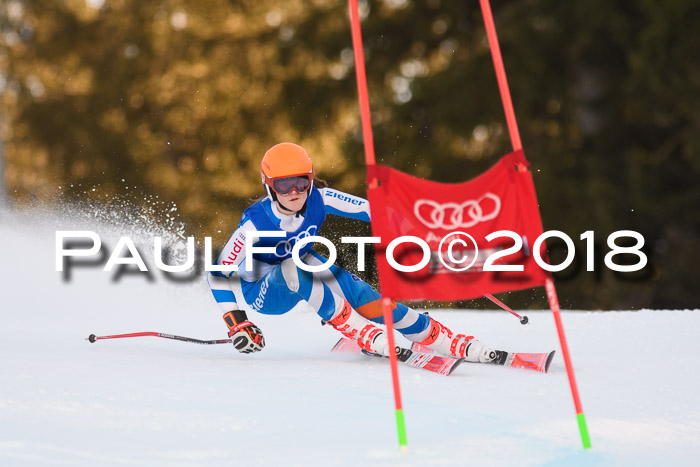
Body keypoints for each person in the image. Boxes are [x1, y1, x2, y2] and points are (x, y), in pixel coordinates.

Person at [207, 142, 498, 362]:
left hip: (304, 264)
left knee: (362, 296)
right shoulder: (255, 224)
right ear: (269, 186)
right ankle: (363, 332)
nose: (294, 191)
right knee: (296, 267)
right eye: (284, 184)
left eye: (301, 181)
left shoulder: (320, 199)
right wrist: (237, 321)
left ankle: (437, 337)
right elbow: (218, 273)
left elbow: (374, 210)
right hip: (265, 290)